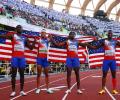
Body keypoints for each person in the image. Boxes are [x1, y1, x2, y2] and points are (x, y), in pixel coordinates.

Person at [0, 25, 36, 97]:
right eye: (18, 27)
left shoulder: (25, 39)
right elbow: (3, 36)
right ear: (16, 29)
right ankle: (13, 91)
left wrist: (34, 41)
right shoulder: (13, 36)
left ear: (22, 29)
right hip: (15, 57)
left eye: (21, 27)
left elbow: (31, 48)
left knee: (22, 75)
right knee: (13, 74)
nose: (20, 28)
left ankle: (21, 90)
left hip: (22, 58)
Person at [90, 30, 120, 94]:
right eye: (108, 34)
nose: (109, 35)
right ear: (107, 34)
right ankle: (103, 89)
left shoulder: (115, 41)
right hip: (106, 60)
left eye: (110, 34)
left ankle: (114, 89)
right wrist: (88, 45)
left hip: (113, 61)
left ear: (112, 35)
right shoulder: (104, 41)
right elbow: (96, 47)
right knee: (104, 75)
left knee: (114, 75)